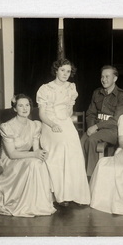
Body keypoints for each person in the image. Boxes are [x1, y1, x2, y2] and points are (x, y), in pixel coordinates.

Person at [0, 94, 57, 217]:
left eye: (27, 105)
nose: (25, 108)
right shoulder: (6, 127)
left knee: (39, 162)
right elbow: (12, 154)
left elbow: (36, 149)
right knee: (33, 162)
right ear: (15, 109)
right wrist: (34, 154)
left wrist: (41, 154)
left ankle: (37, 204)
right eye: (20, 105)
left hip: (27, 157)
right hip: (10, 161)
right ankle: (26, 205)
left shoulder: (35, 125)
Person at [36, 58, 90, 207]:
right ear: (56, 70)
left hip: (65, 122)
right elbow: (42, 114)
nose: (65, 73)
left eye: (68, 71)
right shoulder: (45, 89)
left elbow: (69, 111)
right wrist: (53, 124)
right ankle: (61, 194)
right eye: (62, 70)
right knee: (61, 146)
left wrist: (65, 120)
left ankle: (74, 193)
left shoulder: (71, 87)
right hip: (49, 123)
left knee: (74, 149)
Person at [81, 65, 123, 176]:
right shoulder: (97, 93)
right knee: (82, 141)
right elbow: (90, 113)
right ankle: (81, 176)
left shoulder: (122, 95)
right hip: (96, 128)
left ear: (115, 79)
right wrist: (91, 127)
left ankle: (92, 176)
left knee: (91, 140)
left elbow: (116, 120)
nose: (104, 79)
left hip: (112, 130)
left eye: (107, 77)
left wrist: (96, 127)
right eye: (102, 77)